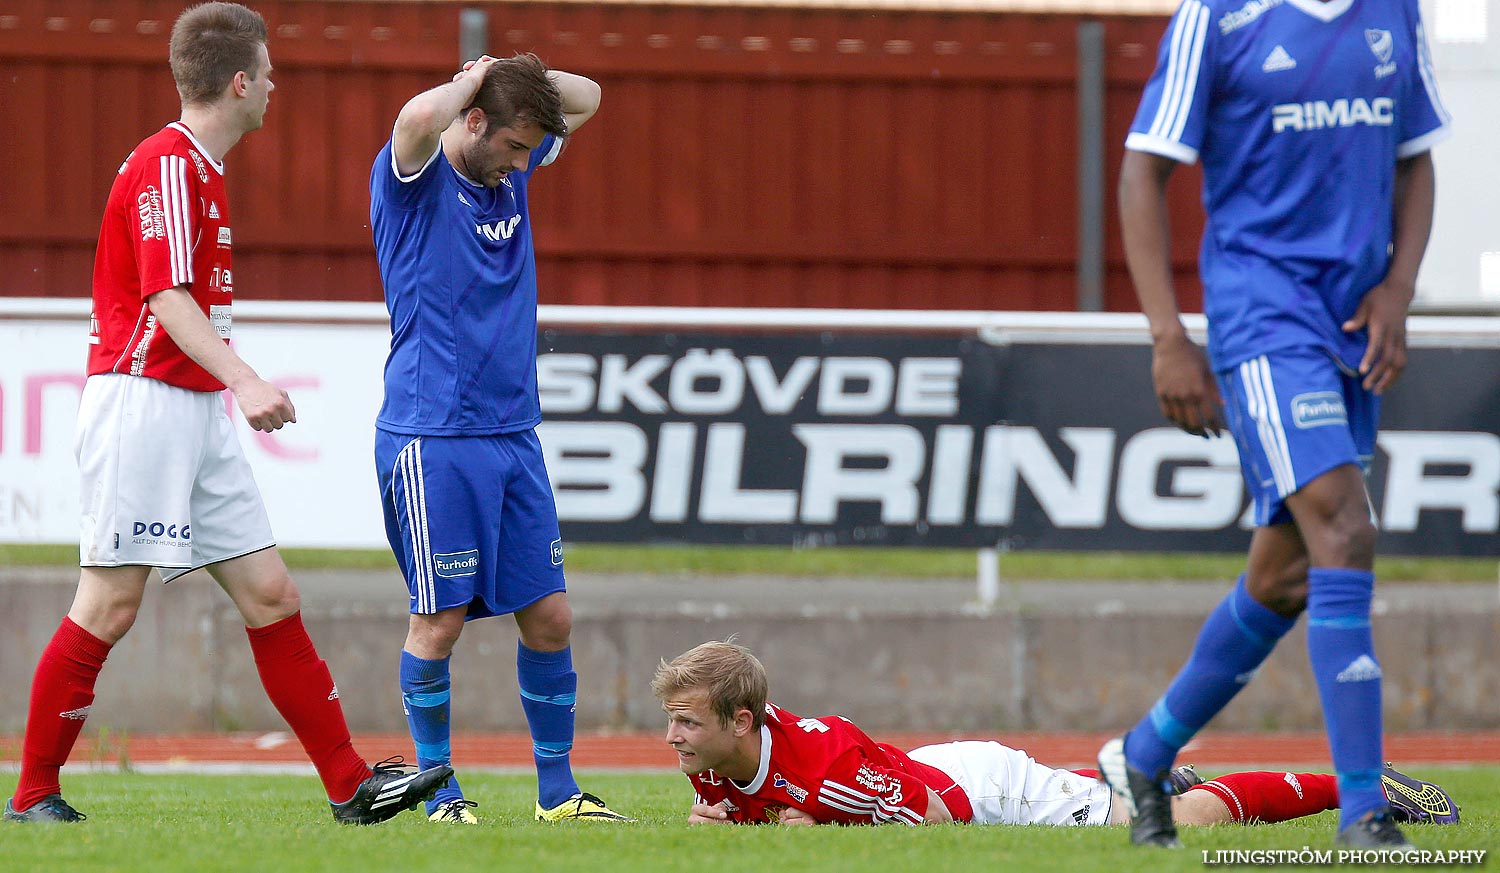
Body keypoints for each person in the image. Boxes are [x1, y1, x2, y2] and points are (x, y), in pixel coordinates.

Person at [1, 3, 452, 826]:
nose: (275, 85)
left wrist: (226, 388)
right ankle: (32, 794)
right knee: (108, 603)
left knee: (271, 594)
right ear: (240, 81)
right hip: (146, 404)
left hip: (193, 408)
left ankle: (351, 785)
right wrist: (246, 380)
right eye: (268, 72)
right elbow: (166, 297)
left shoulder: (198, 167)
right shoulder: (170, 164)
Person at [1100, 0, 1451, 851]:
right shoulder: (1216, 19)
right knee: (1344, 523)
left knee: (1285, 574)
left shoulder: (1395, 11)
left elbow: (1415, 160)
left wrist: (1399, 288)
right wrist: (1167, 337)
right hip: (1264, 314)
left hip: (1353, 324)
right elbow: (1141, 170)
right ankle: (1365, 810)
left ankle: (1145, 755)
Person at [368, 53, 625, 826]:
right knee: (438, 622)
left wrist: (518, 73)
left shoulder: (504, 165)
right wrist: (470, 81)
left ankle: (558, 794)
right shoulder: (413, 180)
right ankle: (439, 793)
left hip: (513, 434)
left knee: (549, 616)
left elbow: (590, 94)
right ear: (471, 122)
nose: (527, 162)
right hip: (432, 434)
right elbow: (416, 120)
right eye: (516, 146)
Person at [652, 642, 1458, 829]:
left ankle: (1362, 785)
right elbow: (760, 809)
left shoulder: (826, 768)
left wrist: (818, 837)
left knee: (1162, 830)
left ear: (742, 720)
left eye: (686, 721)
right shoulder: (718, 753)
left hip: (975, 789)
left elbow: (929, 820)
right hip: (923, 768)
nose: (672, 737)